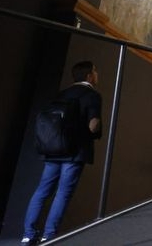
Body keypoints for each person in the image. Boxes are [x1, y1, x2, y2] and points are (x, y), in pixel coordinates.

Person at [22, 61, 102, 244]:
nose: (97, 75)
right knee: (63, 193)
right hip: (75, 152)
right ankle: (49, 235)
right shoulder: (92, 95)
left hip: (54, 149)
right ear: (89, 75)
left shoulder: (62, 93)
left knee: (42, 190)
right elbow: (93, 125)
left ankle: (28, 234)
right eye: (95, 71)